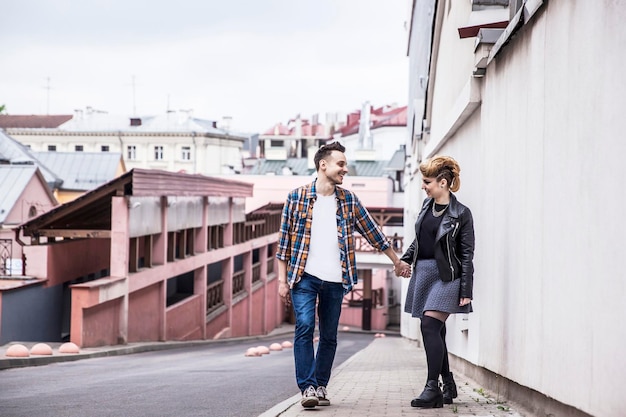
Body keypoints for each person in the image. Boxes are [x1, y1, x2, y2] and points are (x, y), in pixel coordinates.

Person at [276, 142, 407, 409]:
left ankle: (321, 385)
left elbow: (374, 233)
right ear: (323, 165)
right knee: (303, 326)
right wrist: (281, 280)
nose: (345, 170)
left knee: (329, 335)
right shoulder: (296, 197)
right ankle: (308, 387)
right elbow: (284, 244)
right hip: (304, 277)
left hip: (336, 280)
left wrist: (396, 261)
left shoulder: (348, 200)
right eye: (341, 164)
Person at [397, 155, 475, 408]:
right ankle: (448, 383)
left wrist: (466, 289)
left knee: (429, 325)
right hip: (425, 272)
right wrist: (406, 260)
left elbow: (466, 255)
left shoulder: (461, 213)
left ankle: (432, 389)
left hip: (448, 276)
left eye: (427, 181)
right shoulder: (425, 206)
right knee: (435, 329)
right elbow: (419, 241)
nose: (423, 186)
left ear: (443, 183)